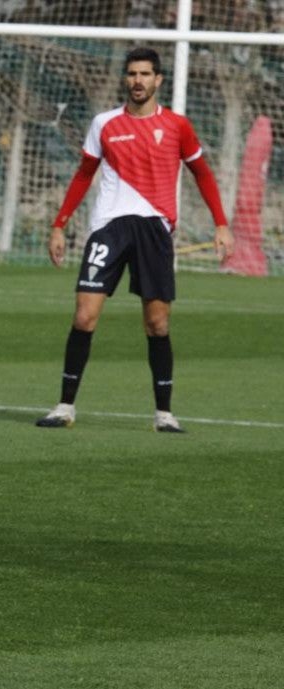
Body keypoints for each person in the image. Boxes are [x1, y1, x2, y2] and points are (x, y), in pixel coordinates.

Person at [37, 47, 232, 433]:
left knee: (157, 323)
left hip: (154, 228)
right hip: (109, 227)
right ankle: (64, 407)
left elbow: (203, 174)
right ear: (125, 79)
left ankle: (164, 414)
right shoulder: (104, 123)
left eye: (145, 74)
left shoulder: (178, 125)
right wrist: (60, 224)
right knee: (84, 315)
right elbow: (83, 174)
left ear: (158, 80)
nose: (137, 81)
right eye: (132, 74)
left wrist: (221, 223)